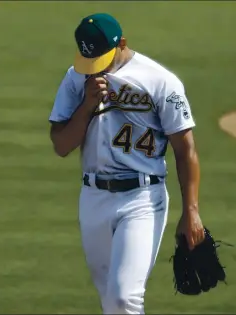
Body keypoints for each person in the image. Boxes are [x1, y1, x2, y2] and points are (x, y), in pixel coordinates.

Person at [49, 12, 205, 314]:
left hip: (142, 199)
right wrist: (87, 105)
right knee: (110, 301)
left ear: (122, 44)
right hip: (93, 197)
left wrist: (191, 212)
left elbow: (185, 150)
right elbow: (61, 145)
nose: (96, 66)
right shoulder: (76, 78)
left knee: (124, 298)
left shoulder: (161, 82)